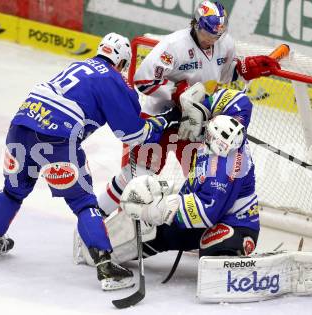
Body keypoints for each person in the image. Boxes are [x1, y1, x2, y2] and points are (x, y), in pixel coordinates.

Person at [0, 32, 180, 291]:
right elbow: (132, 134)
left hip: (21, 125)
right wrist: (163, 121)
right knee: (84, 203)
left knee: (14, 189)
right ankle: (106, 267)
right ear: (121, 62)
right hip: (57, 137)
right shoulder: (110, 77)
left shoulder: (77, 65)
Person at [98, 0, 279, 215]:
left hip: (197, 122)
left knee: (203, 175)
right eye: (207, 34)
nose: (211, 40)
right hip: (161, 118)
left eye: (216, 35)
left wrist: (244, 68)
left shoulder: (225, 44)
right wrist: (178, 93)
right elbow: (144, 81)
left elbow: (226, 72)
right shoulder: (173, 46)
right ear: (196, 25)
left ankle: (188, 226)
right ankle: (100, 215)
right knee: (137, 176)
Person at [75, 86, 259, 266]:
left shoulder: (224, 170)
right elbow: (238, 99)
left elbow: (206, 213)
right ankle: (100, 245)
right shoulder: (233, 127)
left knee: (217, 252)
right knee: (153, 231)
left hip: (232, 222)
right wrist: (203, 107)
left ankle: (238, 250)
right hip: (203, 214)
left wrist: (157, 208)